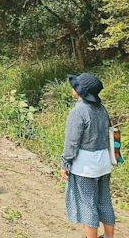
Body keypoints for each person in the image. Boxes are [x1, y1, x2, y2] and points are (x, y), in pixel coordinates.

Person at [61, 73, 115, 238]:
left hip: (86, 166)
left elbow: (72, 142)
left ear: (79, 91)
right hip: (104, 162)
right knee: (105, 200)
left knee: (87, 204)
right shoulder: (101, 109)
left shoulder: (79, 111)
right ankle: (109, 236)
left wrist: (65, 163)